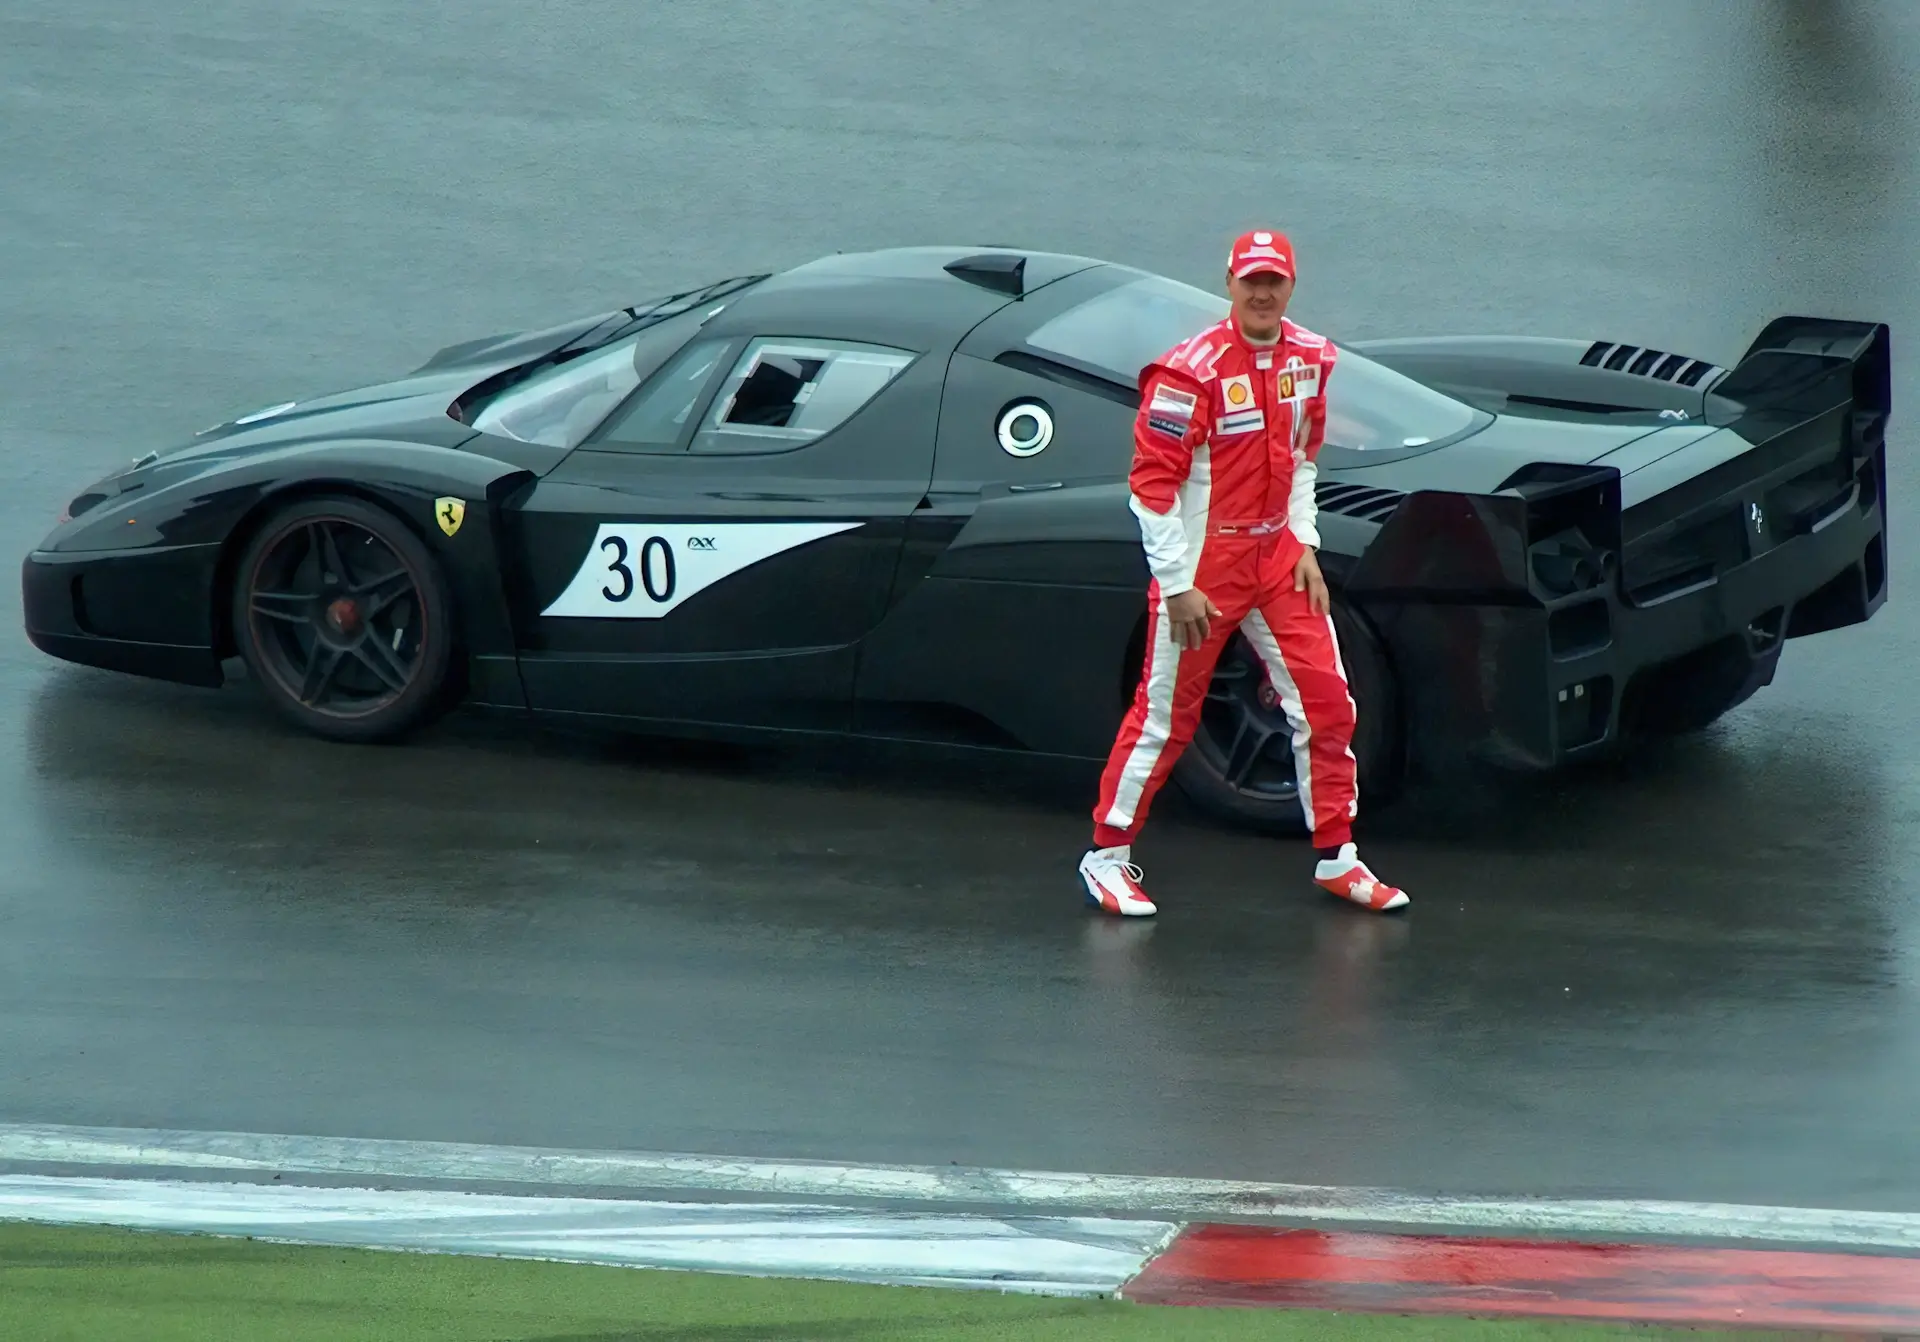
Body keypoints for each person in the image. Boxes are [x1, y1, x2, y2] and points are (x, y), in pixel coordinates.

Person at [1077, 229, 1409, 918]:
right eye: (1250, 280)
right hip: (1202, 569)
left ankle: (1338, 856)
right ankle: (1106, 857)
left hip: (1276, 560)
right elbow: (1150, 491)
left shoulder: (1311, 359)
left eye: (1274, 281)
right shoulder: (1187, 373)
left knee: (1329, 704)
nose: (1262, 293)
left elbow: (1302, 461)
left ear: (1291, 287)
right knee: (1166, 717)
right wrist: (1176, 584)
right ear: (1228, 282)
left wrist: (1305, 544)